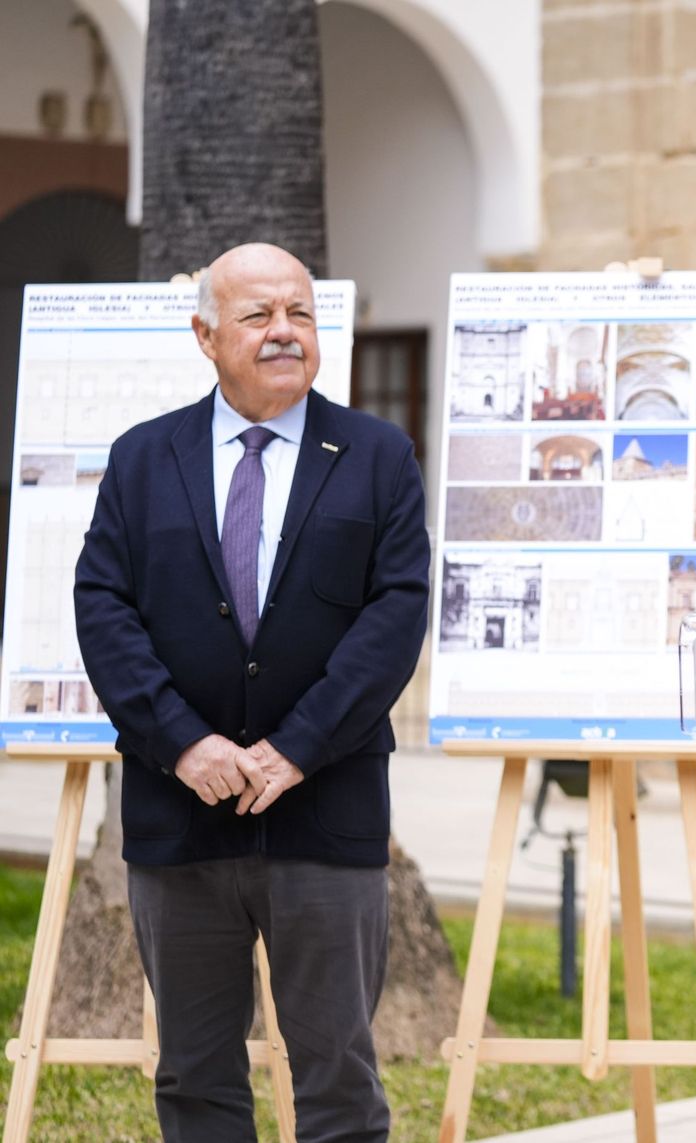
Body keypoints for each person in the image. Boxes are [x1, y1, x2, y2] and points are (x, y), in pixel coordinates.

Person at [74, 242, 430, 1142]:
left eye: (301, 314)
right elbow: (104, 606)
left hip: (326, 813)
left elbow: (393, 618)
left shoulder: (379, 455)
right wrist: (183, 742)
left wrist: (298, 745)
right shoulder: (143, 457)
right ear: (205, 335)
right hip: (180, 813)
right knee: (195, 1079)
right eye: (258, 316)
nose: (285, 333)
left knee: (339, 1077)